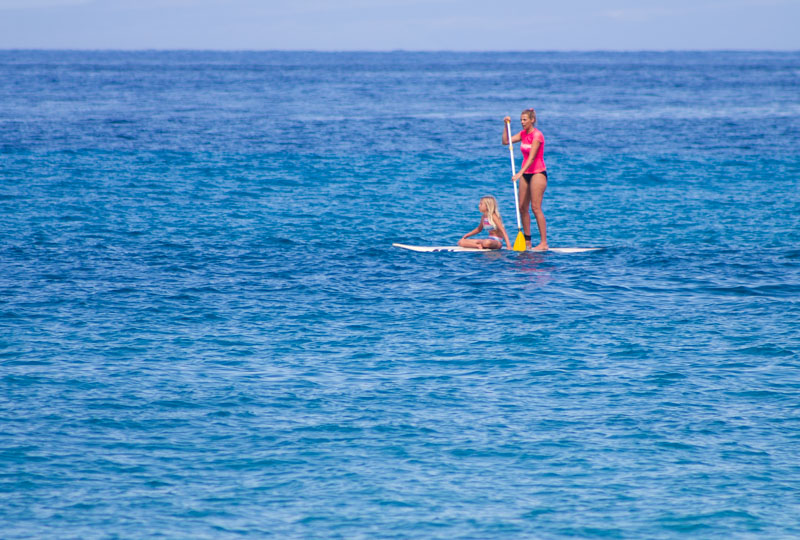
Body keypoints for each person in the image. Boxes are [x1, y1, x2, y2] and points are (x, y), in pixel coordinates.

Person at [502, 108, 548, 250]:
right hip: (525, 173)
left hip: (537, 173)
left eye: (525, 120)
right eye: (521, 120)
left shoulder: (537, 135)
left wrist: (520, 173)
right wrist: (505, 125)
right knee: (522, 207)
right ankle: (528, 241)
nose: (522, 122)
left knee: (535, 207)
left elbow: (532, 156)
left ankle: (543, 243)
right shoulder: (522, 134)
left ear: (532, 120)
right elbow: (506, 141)